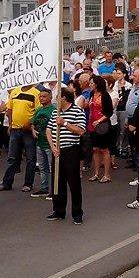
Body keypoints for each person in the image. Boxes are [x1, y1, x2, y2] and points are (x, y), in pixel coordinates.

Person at [46, 88, 86, 224]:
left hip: (71, 150)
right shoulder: (55, 112)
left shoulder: (77, 111)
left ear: (64, 98)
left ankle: (77, 213)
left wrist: (64, 123)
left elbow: (80, 130)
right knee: (57, 182)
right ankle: (58, 210)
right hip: (57, 151)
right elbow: (48, 130)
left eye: (57, 97)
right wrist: (52, 147)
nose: (55, 99)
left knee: (74, 183)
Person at [0, 85, 39, 192]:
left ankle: (28, 184)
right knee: (12, 157)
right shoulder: (14, 92)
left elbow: (38, 112)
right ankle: (7, 183)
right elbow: (9, 110)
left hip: (28, 131)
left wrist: (30, 124)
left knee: (30, 158)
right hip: (15, 129)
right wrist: (10, 125)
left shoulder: (36, 93)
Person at [87, 76, 114, 183]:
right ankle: (96, 173)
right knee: (95, 149)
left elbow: (109, 112)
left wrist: (99, 120)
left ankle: (107, 174)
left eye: (91, 83)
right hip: (92, 125)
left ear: (97, 84)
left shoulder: (105, 96)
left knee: (104, 149)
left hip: (102, 125)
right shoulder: (91, 94)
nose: (90, 85)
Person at [30, 88, 56, 197]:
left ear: (50, 97)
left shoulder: (54, 110)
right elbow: (33, 123)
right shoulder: (38, 110)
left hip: (50, 144)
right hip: (40, 143)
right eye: (40, 96)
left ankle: (54, 190)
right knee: (42, 168)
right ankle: (44, 188)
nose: (41, 98)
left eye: (44, 96)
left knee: (52, 168)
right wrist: (33, 130)